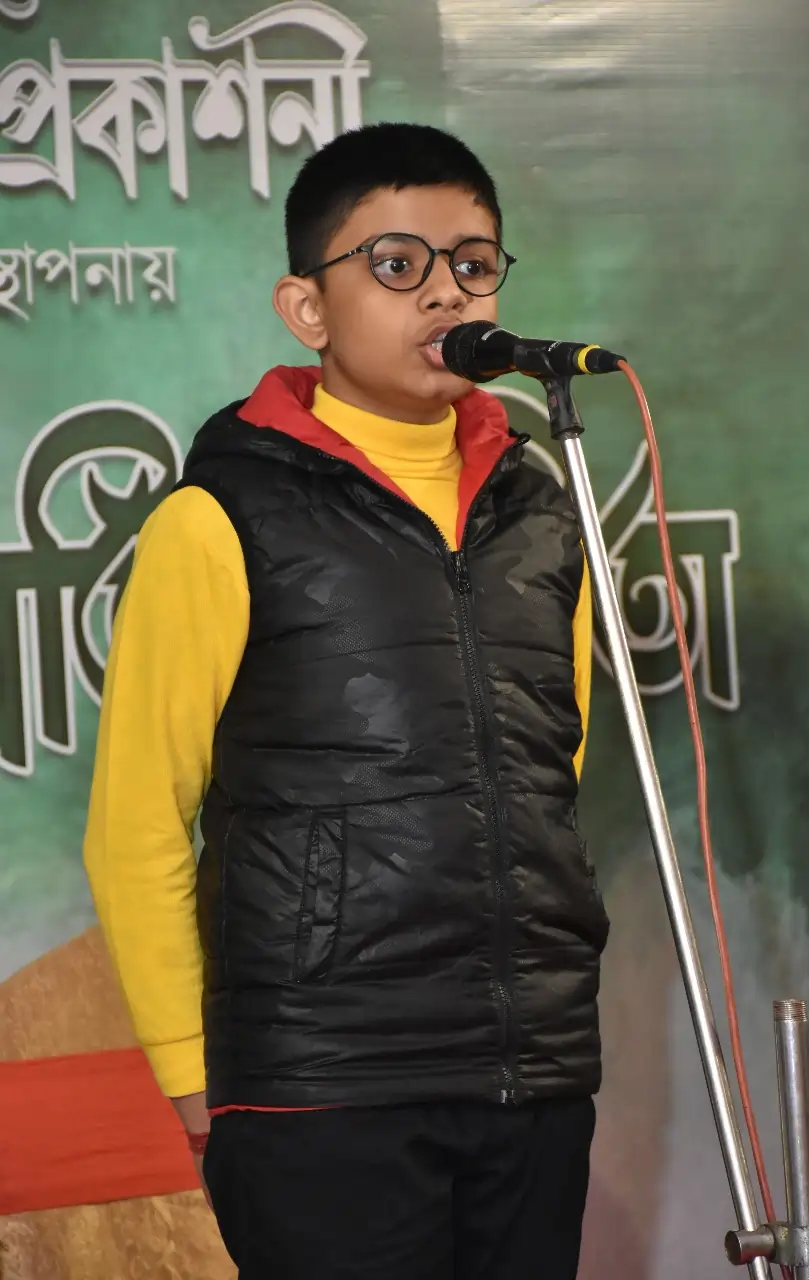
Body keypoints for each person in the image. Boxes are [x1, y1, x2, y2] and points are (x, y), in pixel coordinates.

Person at [84, 121, 609, 1280]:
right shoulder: (218, 517)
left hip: (529, 1067)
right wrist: (190, 1071)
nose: (445, 293)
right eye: (396, 263)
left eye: (473, 262)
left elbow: (548, 768)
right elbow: (135, 821)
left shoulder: (542, 511)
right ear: (306, 308)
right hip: (318, 1080)